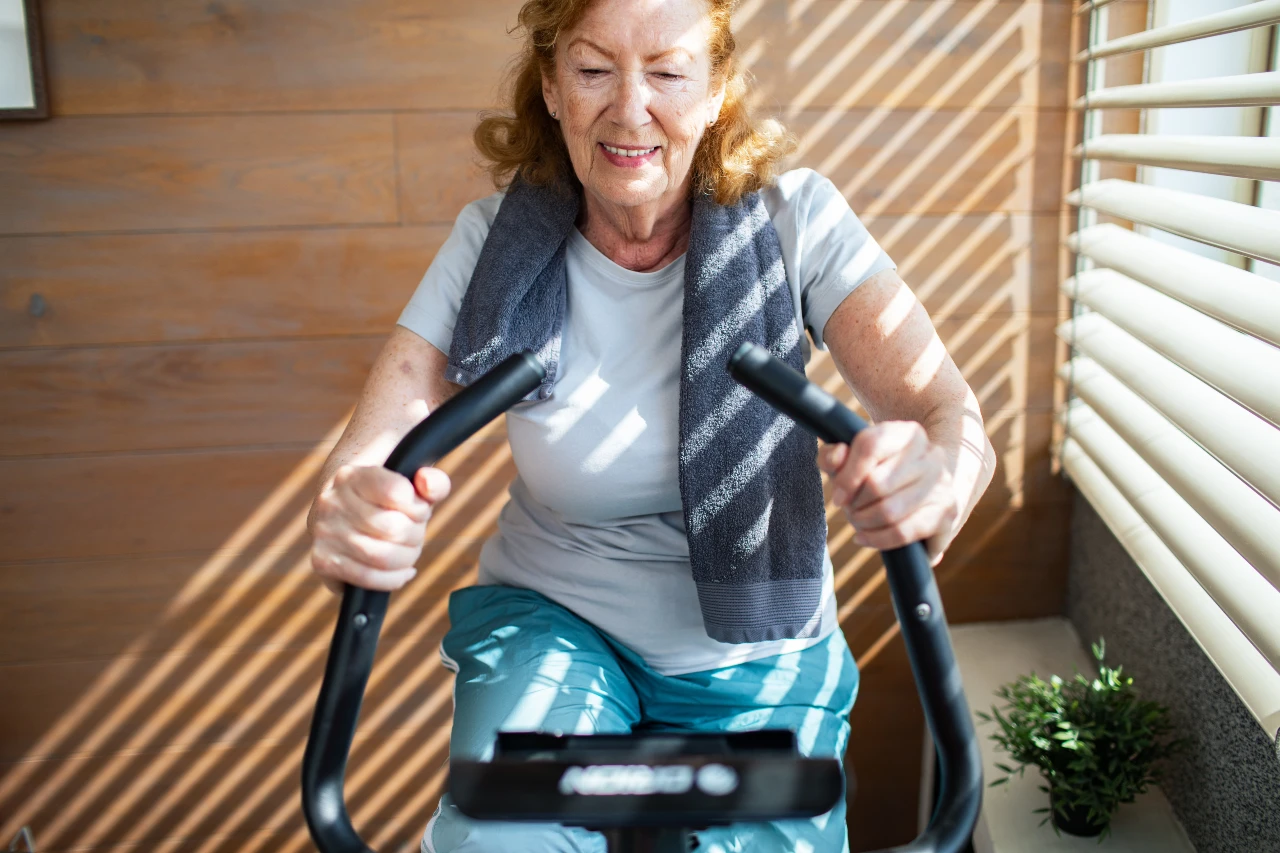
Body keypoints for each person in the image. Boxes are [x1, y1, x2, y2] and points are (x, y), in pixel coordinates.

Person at [306, 0, 996, 848]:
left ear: (715, 93)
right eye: (595, 70)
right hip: (553, 619)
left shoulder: (796, 219)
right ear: (552, 86)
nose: (630, 109)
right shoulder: (492, 242)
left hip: (760, 647)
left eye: (667, 72)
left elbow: (949, 418)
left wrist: (938, 481)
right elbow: (371, 454)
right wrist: (352, 509)